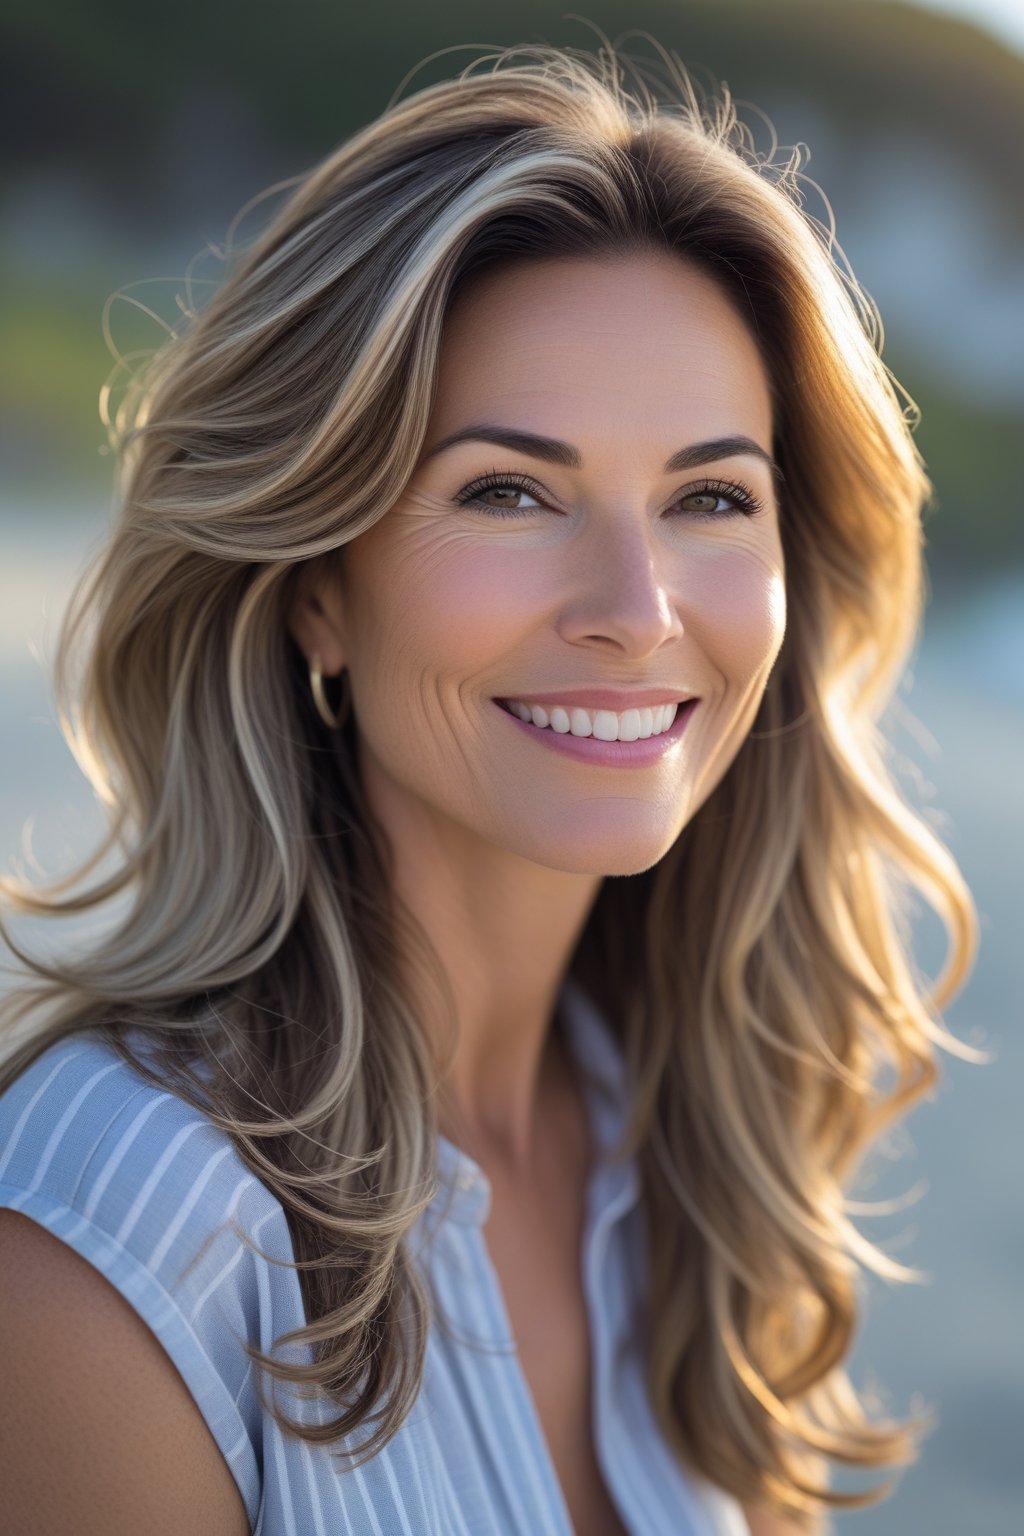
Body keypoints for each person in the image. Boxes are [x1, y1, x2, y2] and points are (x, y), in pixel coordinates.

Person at [0, 38, 978, 1536]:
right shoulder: (114, 1239)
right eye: (510, 491)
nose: (637, 610)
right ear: (315, 587)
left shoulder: (689, 1138)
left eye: (712, 497)